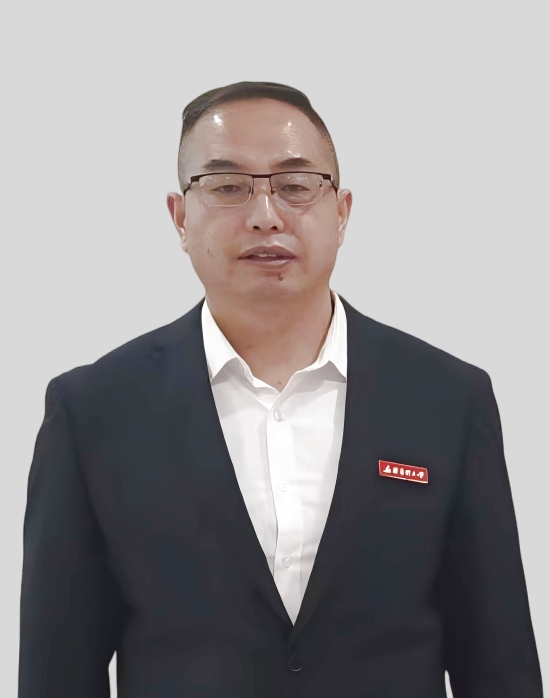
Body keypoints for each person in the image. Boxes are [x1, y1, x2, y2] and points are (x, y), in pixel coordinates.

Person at [18, 81, 543, 698]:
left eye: (296, 185)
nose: (265, 215)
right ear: (180, 217)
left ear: (342, 212)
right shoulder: (94, 411)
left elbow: (499, 663)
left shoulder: (448, 399)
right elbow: (57, 672)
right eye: (227, 186)